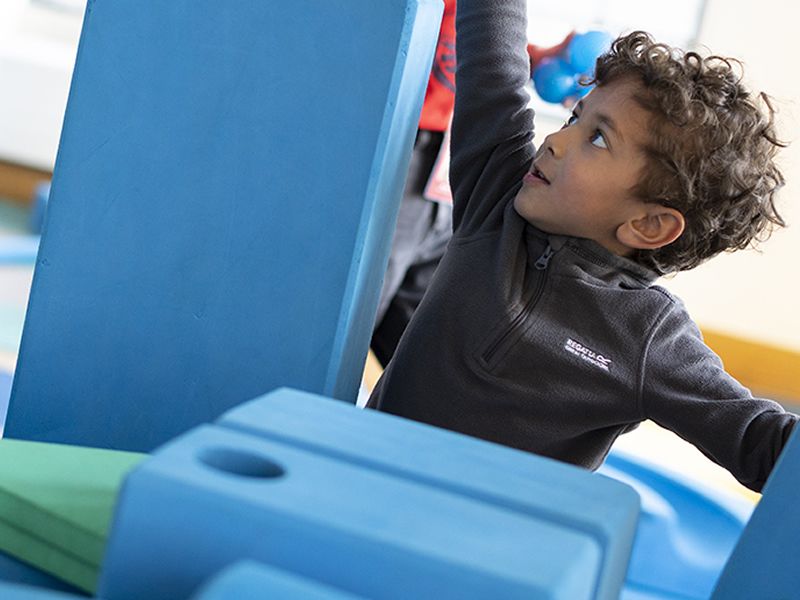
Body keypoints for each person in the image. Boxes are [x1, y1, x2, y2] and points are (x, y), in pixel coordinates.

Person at [367, 0, 798, 493]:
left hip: (481, 550)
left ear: (649, 224)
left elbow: (760, 441)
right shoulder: (497, 202)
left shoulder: (649, 335)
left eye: (596, 139)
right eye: (574, 118)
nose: (555, 140)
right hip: (360, 487)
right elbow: (495, 65)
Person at [371, 0, 572, 366]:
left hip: (449, 155)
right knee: (364, 298)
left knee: (422, 326)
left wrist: (537, 59)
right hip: (403, 139)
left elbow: (469, 42)